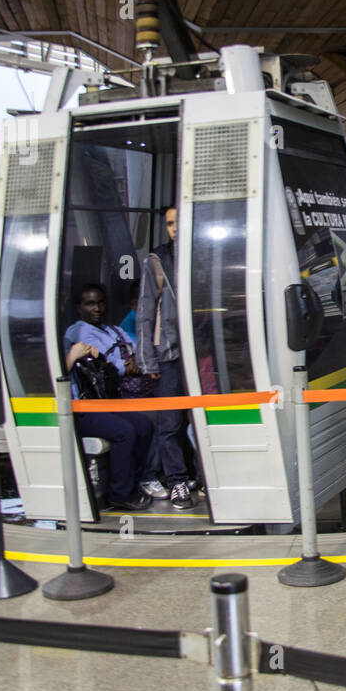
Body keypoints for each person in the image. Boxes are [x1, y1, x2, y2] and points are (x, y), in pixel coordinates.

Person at [63, 283, 161, 510]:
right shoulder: (77, 333)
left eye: (100, 302)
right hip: (81, 407)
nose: (96, 308)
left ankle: (132, 483)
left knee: (143, 426)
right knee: (124, 431)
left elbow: (136, 351)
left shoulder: (110, 330)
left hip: (103, 402)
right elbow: (118, 366)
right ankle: (120, 494)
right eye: (89, 303)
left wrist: (134, 359)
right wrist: (75, 354)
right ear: (79, 308)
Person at [136, 205, 195, 509]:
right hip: (170, 355)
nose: (174, 228)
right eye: (170, 223)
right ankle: (177, 482)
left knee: (200, 419)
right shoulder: (157, 260)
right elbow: (145, 312)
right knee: (170, 422)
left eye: (179, 222)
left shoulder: (202, 254)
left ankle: (196, 475)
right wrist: (147, 360)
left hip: (200, 354)